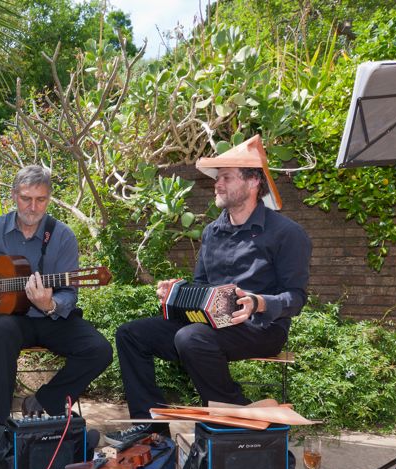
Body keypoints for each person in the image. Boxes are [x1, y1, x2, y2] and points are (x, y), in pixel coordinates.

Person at [109, 135, 311, 444]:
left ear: (253, 181)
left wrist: (257, 302)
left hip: (262, 327)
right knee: (131, 334)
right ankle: (152, 429)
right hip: (211, 324)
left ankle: (239, 421)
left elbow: (296, 297)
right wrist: (175, 292)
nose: (218, 184)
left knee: (190, 337)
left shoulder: (287, 233)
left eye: (226, 177)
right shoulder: (212, 231)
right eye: (218, 178)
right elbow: (202, 287)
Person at [0, 165, 113, 461]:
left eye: (41, 199)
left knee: (99, 349)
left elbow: (68, 294)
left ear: (49, 200)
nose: (33, 207)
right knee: (1, 331)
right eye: (26, 198)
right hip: (13, 321)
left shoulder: (61, 236)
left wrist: (50, 305)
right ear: (14, 196)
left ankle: (44, 400)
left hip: (52, 319)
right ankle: (0, 430)